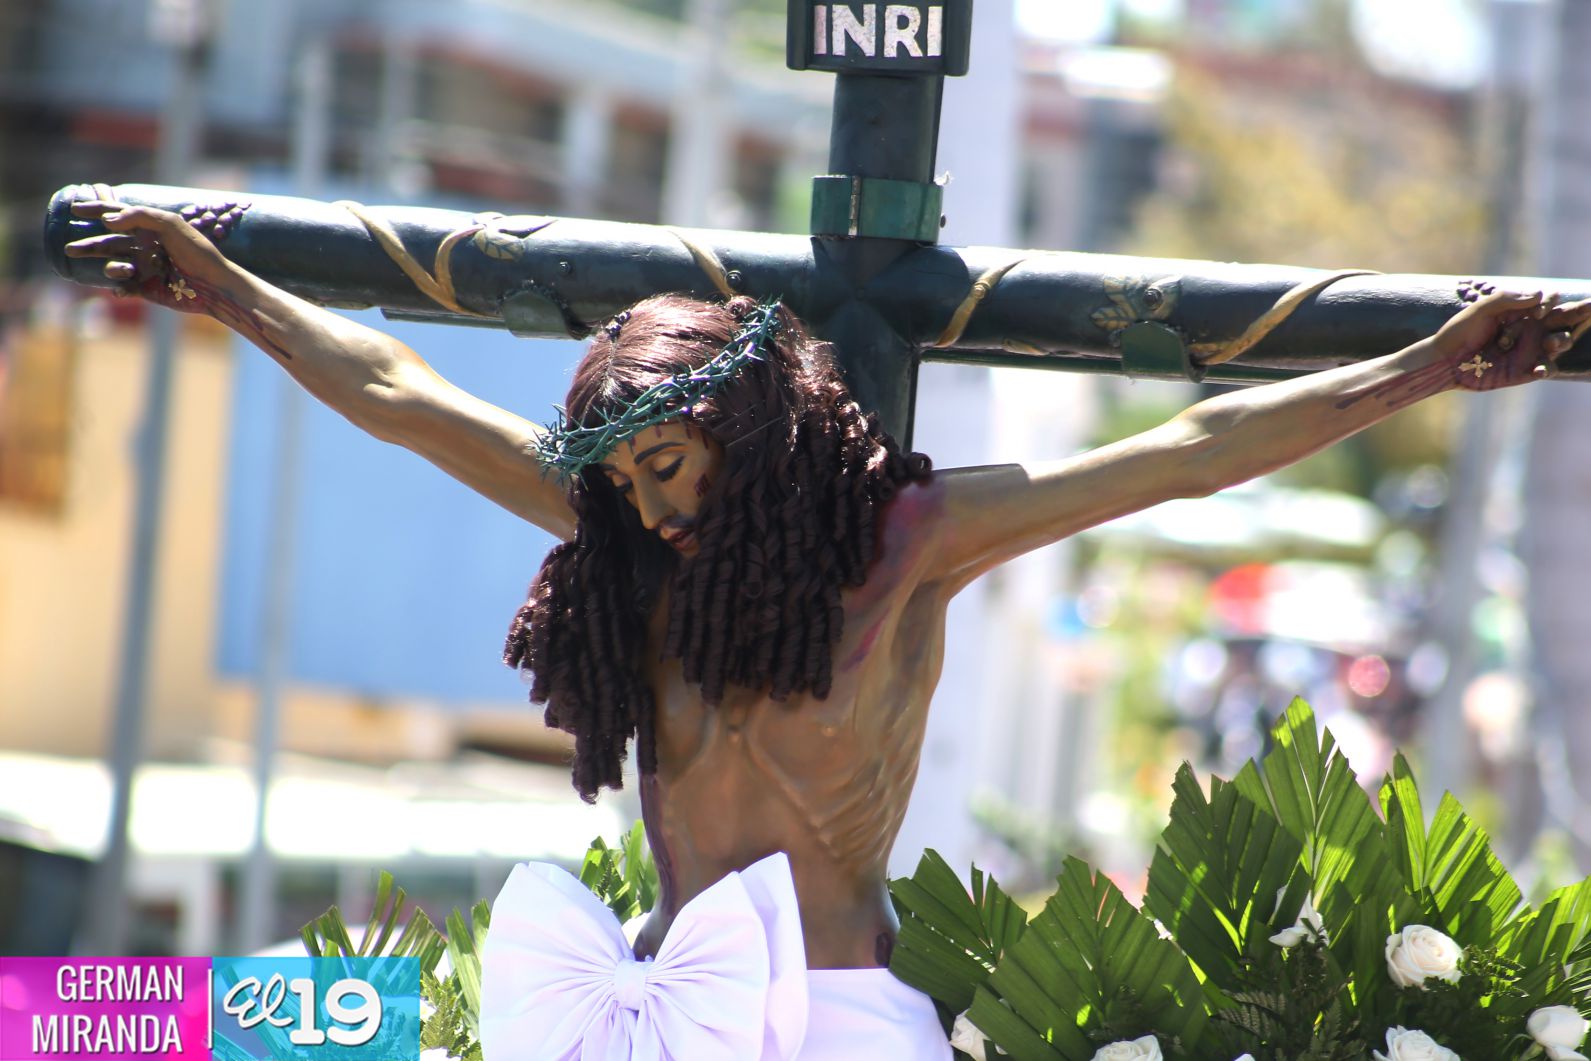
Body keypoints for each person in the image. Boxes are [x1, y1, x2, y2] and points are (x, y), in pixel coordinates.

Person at [64, 197, 1591, 1059]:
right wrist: (226, 287)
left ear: (739, 432)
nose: (651, 506)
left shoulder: (905, 546)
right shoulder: (634, 561)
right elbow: (406, 398)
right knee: (108, 1023)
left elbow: (1189, 449)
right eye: (627, 479)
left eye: (669, 466)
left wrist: (1429, 368)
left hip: (843, 1025)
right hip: (639, 1001)